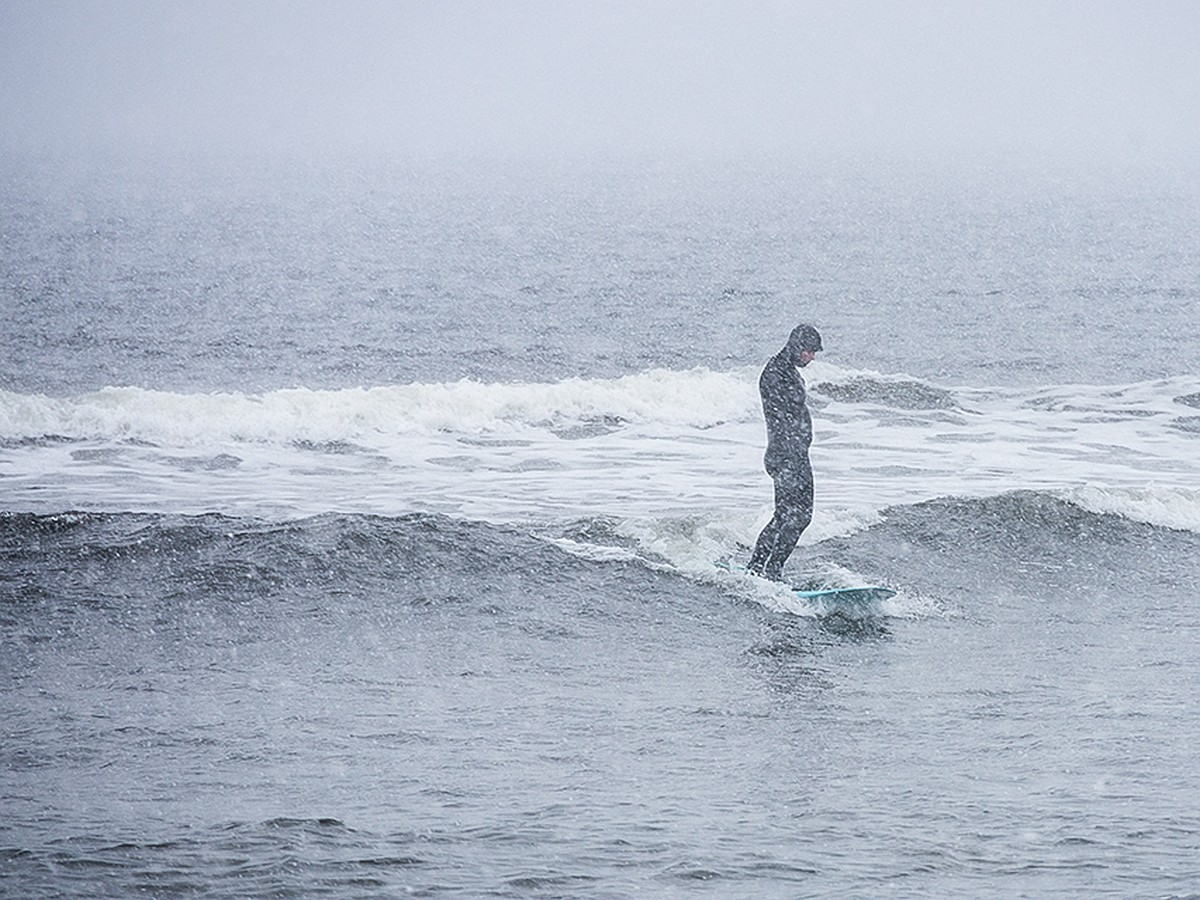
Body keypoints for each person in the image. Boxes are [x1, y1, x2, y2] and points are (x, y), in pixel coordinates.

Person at [747, 323, 822, 581]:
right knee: (796, 517)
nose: (811, 357)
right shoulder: (775, 373)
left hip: (795, 455)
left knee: (788, 517)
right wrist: (790, 451)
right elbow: (780, 416)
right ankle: (771, 570)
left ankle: (758, 567)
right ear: (797, 347)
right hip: (786, 456)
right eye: (809, 352)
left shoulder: (787, 369)